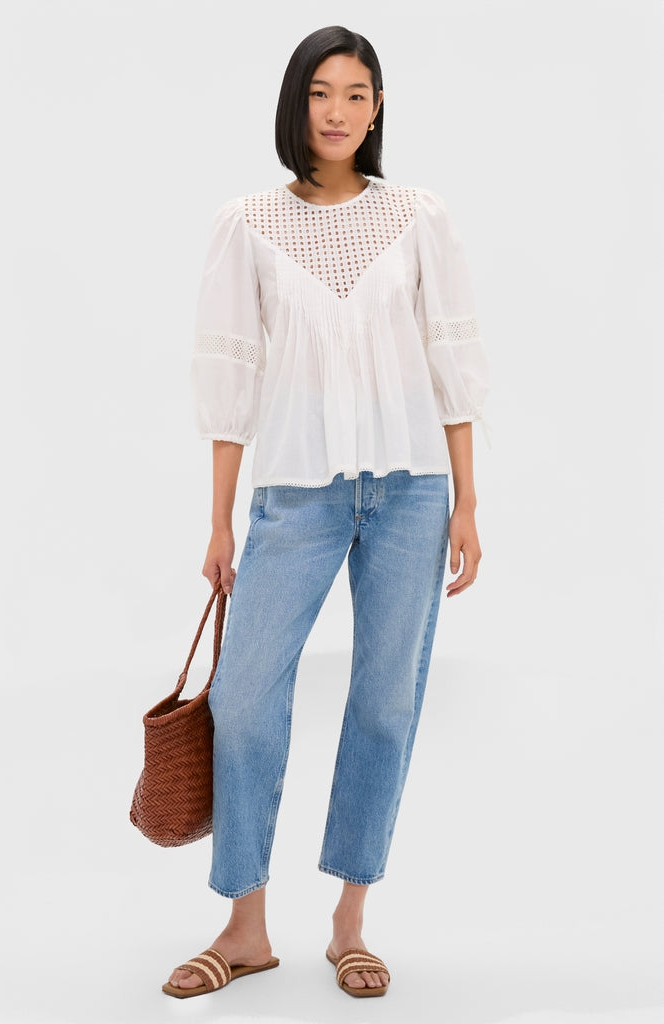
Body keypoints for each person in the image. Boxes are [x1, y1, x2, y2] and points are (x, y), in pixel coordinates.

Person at [163, 24, 489, 1001]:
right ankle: (245, 925)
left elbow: (451, 362)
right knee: (244, 696)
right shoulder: (248, 223)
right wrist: (220, 521)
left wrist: (468, 499)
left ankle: (349, 919)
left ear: (377, 107)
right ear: (294, 104)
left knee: (385, 701)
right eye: (320, 93)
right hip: (292, 495)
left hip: (410, 494)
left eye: (355, 93)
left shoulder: (417, 217)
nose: (337, 111)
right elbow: (230, 373)